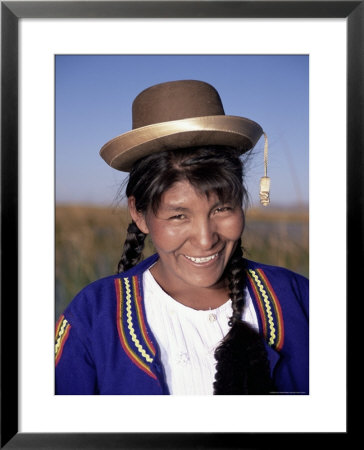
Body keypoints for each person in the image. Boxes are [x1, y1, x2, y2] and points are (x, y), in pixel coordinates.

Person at [55, 80, 308, 395]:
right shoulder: (91, 319)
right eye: (178, 215)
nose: (205, 240)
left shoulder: (299, 299)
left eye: (222, 209)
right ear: (139, 213)